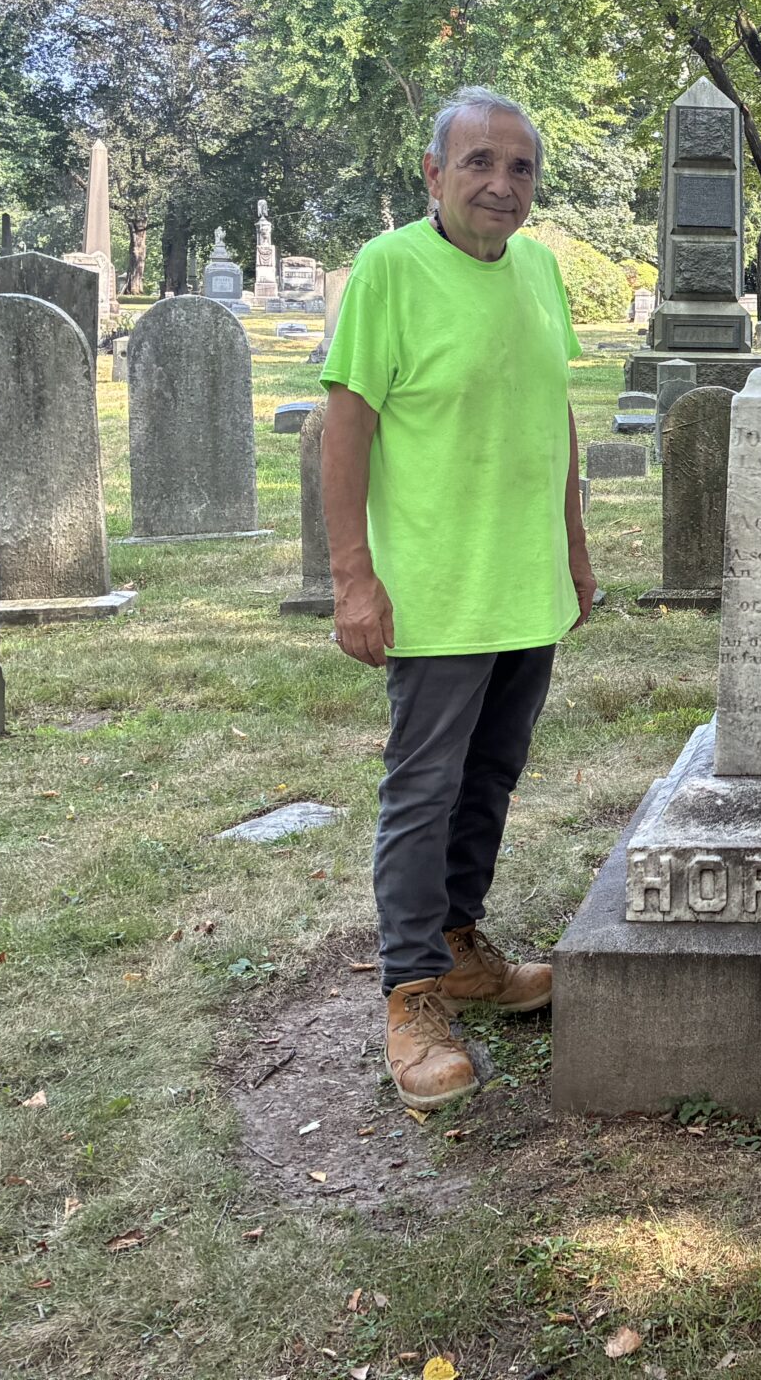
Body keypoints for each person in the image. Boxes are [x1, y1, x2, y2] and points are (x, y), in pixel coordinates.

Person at [319, 88, 594, 1111]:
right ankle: (411, 994)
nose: (501, 184)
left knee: (491, 776)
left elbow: (552, 413)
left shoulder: (538, 270)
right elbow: (345, 427)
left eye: (520, 167)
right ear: (434, 174)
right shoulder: (390, 269)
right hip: (435, 592)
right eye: (479, 162)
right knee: (423, 790)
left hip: (525, 583)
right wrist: (353, 577)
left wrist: (573, 548)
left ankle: (459, 943)